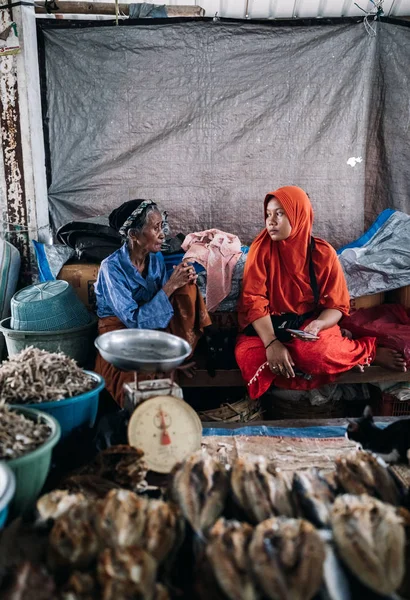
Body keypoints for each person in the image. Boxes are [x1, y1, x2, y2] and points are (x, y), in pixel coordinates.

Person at [235, 186, 407, 400]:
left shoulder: (322, 254)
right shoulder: (260, 251)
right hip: (266, 329)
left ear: (299, 215)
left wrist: (319, 325)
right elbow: (254, 302)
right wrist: (271, 343)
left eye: (280, 213)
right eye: (268, 214)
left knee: (318, 354)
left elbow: (336, 306)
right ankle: (343, 359)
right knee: (251, 359)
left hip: (308, 326)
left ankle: (366, 351)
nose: (271, 221)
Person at [94, 199, 212, 406]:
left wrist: (182, 278)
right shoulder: (111, 268)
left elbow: (163, 300)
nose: (163, 234)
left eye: (162, 226)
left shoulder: (155, 259)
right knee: (139, 388)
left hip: (152, 329)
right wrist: (170, 286)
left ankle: (181, 352)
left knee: (187, 287)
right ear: (133, 235)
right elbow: (133, 321)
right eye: (156, 228)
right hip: (122, 335)